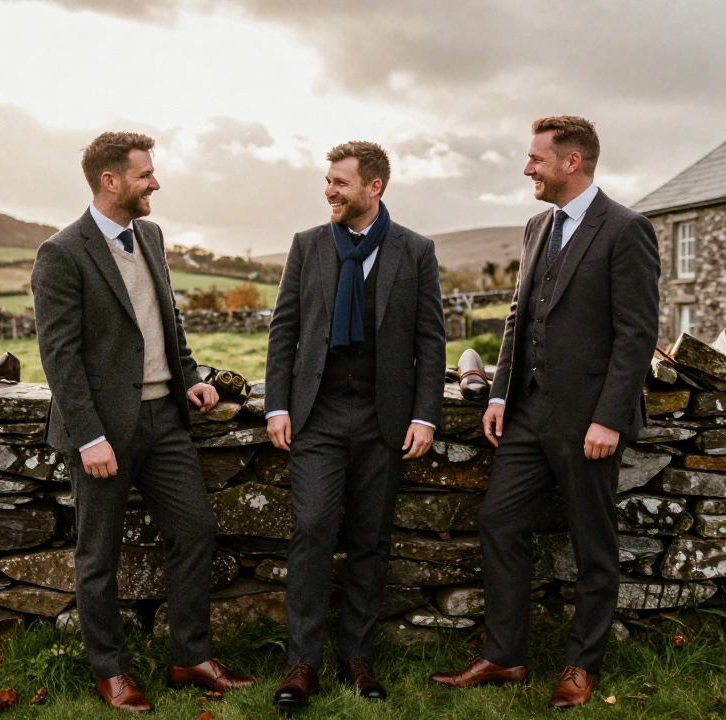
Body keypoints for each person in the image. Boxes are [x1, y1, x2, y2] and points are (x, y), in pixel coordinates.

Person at [429, 116, 660, 709]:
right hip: (527, 413)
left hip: (588, 419)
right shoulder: (538, 226)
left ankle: (582, 665)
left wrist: (609, 418)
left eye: (536, 158)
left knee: (592, 545)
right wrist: (500, 394)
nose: (526, 167)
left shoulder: (626, 228)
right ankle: (505, 656)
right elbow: (519, 315)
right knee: (498, 521)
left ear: (571, 162)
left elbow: (637, 334)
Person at [32, 131, 254, 714]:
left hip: (166, 419)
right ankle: (111, 672)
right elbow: (60, 356)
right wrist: (90, 436)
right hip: (104, 430)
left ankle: (190, 658)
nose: (156, 182)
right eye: (145, 174)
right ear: (110, 181)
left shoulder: (149, 235)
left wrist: (191, 376)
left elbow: (167, 318)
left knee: (196, 530)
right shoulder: (62, 252)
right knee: (98, 557)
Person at [265, 141, 446, 707]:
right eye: (328, 181)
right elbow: (284, 329)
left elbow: (430, 339)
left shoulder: (415, 250)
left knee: (371, 538)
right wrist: (277, 406)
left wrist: (425, 415)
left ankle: (358, 658)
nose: (329, 191)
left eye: (340, 182)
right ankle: (302, 663)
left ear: (374, 187)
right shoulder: (308, 245)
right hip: (316, 415)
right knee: (313, 528)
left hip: (384, 417)